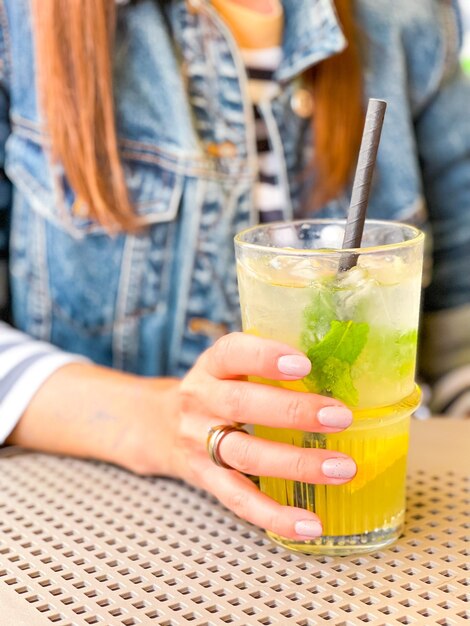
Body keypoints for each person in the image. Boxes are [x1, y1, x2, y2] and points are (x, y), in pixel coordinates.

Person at [0, 0, 469, 541]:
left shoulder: (408, 18)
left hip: (390, 517)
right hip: (104, 523)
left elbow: (458, 338)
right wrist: (159, 421)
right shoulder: (20, 21)